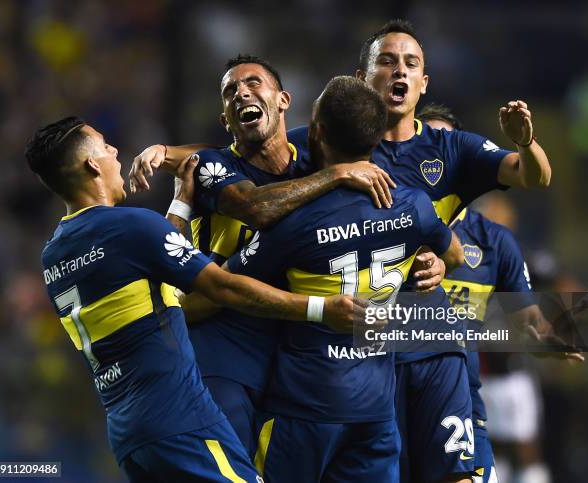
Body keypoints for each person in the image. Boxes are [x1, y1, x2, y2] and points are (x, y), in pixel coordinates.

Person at [25, 116, 362, 482]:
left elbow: (154, 271)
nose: (115, 151)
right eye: (106, 146)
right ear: (92, 164)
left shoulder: (54, 254)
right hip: (180, 416)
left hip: (130, 434)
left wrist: (181, 202)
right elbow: (221, 287)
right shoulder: (129, 226)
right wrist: (321, 309)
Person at [129, 54, 420, 457]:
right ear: (226, 122)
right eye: (230, 91)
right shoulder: (218, 166)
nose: (241, 93)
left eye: (252, 83)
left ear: (283, 100)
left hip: (290, 354)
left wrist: (430, 255)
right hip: (223, 345)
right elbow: (256, 209)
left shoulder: (311, 151)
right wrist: (335, 174)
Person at [221, 76, 464, 482]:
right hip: (373, 413)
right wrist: (431, 263)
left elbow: (226, 287)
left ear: (316, 133)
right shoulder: (415, 206)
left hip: (304, 410)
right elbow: (453, 254)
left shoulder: (294, 222)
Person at [419, 103, 582, 483]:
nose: (429, 152)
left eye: (441, 143)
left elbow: (528, 322)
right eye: (420, 141)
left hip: (466, 390)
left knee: (515, 453)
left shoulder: (494, 241)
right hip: (385, 391)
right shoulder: (379, 225)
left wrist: (546, 338)